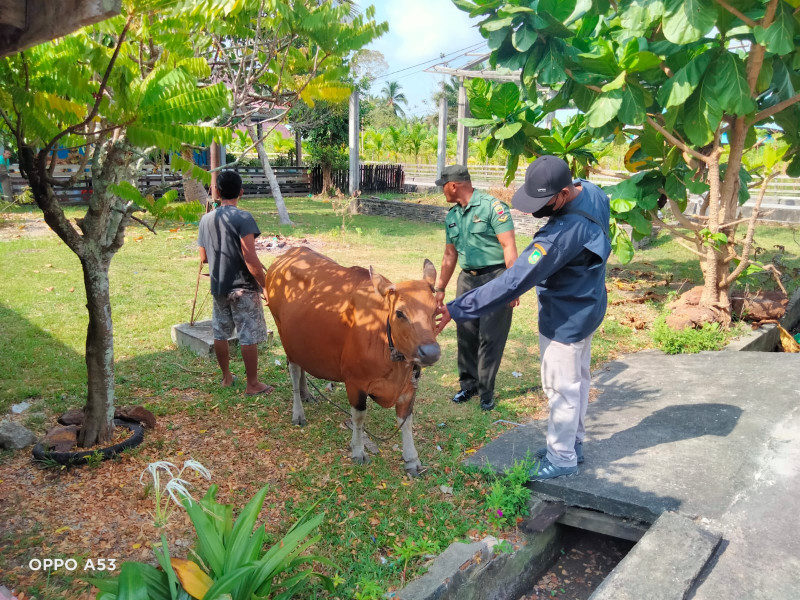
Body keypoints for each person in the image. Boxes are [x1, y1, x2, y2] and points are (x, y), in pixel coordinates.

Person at [435, 156, 611, 480]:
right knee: (579, 381)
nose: (537, 209)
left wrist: (456, 308)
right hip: (590, 304)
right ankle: (573, 443)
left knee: (561, 388)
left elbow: (512, 280)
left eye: (543, 202)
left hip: (566, 318)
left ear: (562, 194)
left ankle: (562, 458)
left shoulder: (559, 235)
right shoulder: (593, 191)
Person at [433, 165, 519, 411]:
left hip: (496, 278)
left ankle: (486, 392)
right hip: (467, 280)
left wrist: (512, 287)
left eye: (444, 187)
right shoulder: (452, 216)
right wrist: (441, 288)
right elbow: (450, 255)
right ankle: (467, 386)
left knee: (490, 337)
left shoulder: (494, 208)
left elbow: (509, 248)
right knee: (466, 335)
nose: (443, 192)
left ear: (454, 185)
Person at [197, 170, 273, 396]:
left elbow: (203, 258)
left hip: (219, 285)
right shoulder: (243, 218)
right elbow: (250, 259)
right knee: (248, 334)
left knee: (220, 332)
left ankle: (227, 377)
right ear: (241, 191)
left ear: (217, 192)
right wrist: (266, 286)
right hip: (243, 287)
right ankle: (253, 384)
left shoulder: (205, 219)